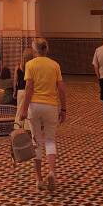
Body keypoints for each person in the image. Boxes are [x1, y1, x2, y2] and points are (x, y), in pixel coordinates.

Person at [19, 38, 66, 193]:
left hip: (34, 106)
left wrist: (23, 110)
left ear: (34, 50)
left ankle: (39, 179)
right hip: (51, 105)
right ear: (47, 49)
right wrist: (63, 109)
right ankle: (51, 172)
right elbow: (61, 89)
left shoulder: (30, 65)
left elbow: (29, 88)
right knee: (50, 140)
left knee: (36, 142)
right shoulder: (55, 65)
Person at [14, 47, 32, 129]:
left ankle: (17, 127)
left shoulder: (18, 66)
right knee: (28, 110)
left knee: (19, 110)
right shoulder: (32, 67)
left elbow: (15, 81)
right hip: (28, 91)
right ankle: (27, 128)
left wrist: (14, 91)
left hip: (20, 91)